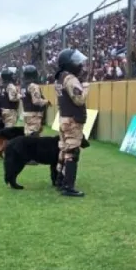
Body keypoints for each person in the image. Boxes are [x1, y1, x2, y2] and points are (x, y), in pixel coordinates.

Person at [54, 48, 89, 197]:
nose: (80, 65)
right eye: (77, 61)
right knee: (72, 152)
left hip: (64, 118)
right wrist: (86, 86)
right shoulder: (70, 79)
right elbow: (79, 99)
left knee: (64, 150)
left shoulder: (59, 78)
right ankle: (68, 186)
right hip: (73, 120)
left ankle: (59, 180)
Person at [20, 64, 50, 136]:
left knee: (28, 134)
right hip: (34, 114)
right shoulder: (33, 86)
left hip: (26, 113)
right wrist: (46, 101)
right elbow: (36, 101)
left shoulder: (23, 86)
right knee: (34, 136)